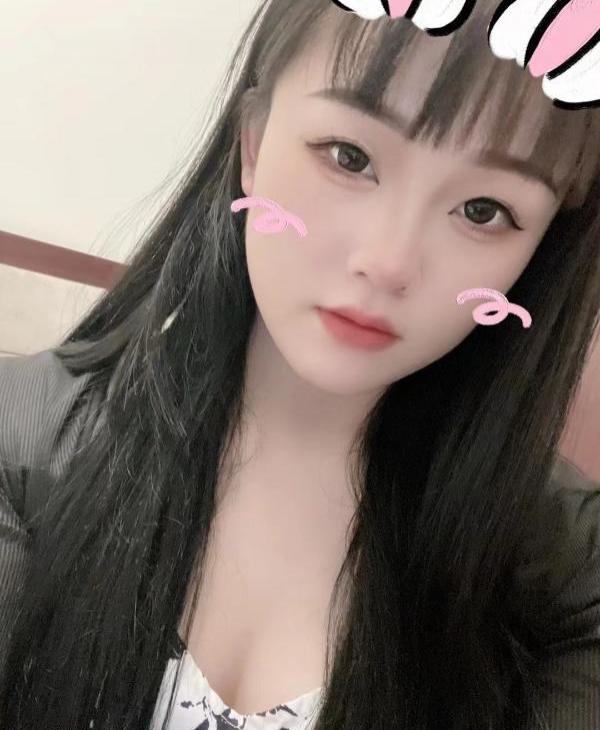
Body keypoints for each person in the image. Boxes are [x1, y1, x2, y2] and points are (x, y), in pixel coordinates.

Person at [1, 0, 599, 728]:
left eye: (483, 211)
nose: (387, 262)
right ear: (253, 144)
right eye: (349, 157)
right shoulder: (19, 446)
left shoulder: (568, 569)